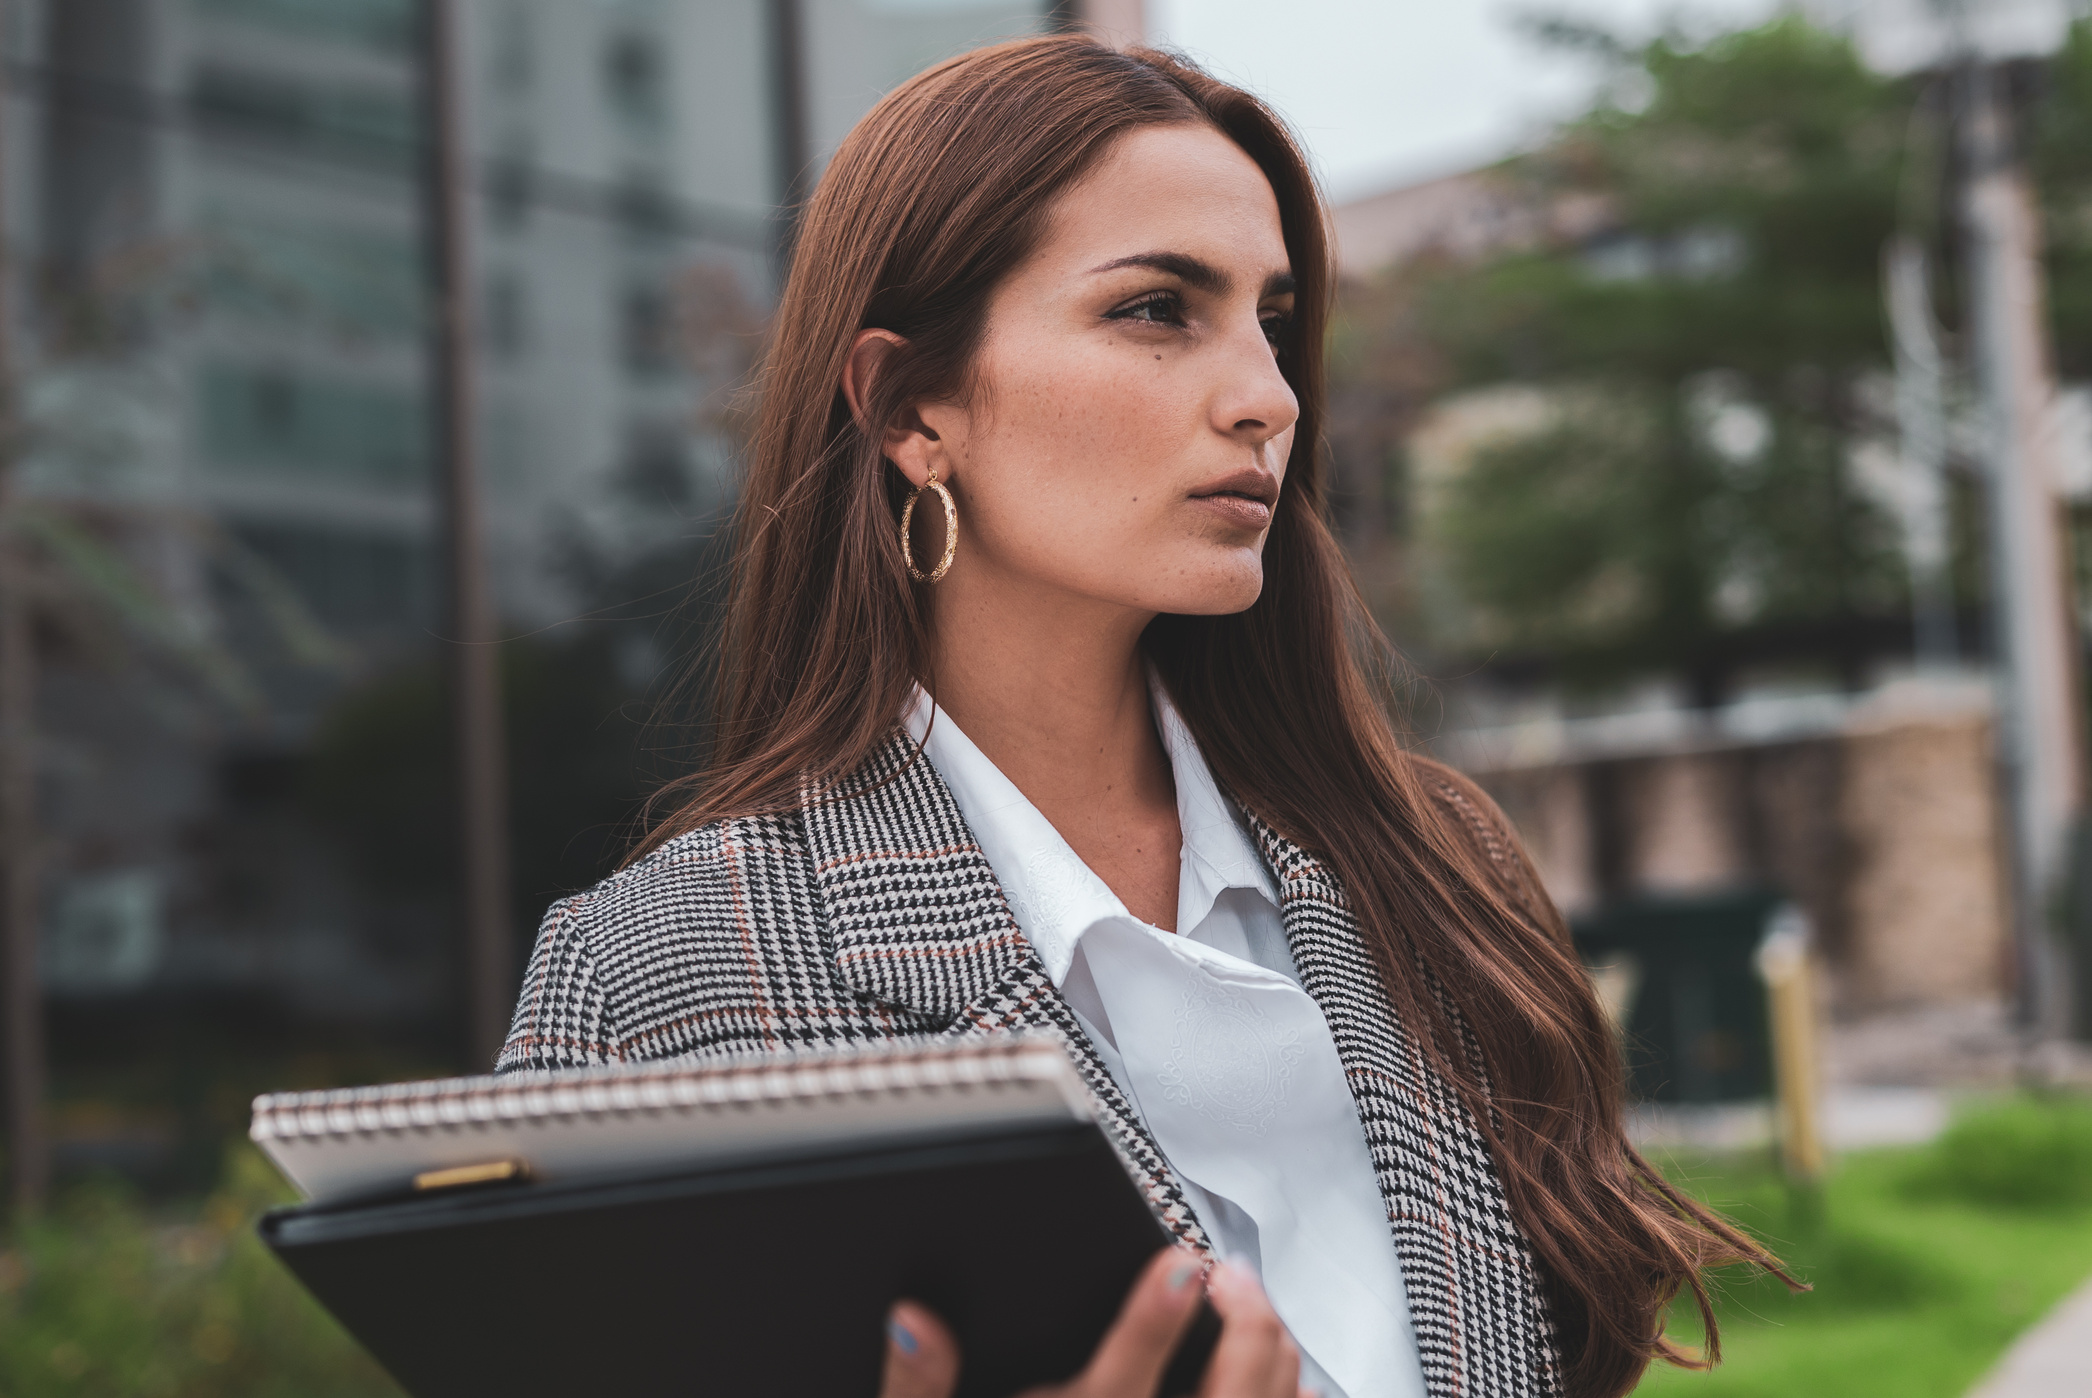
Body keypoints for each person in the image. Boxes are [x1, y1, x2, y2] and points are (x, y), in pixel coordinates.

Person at [498, 35, 1780, 1398]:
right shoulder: (658, 977)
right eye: (1159, 309)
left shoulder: (1432, 863)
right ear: (910, 406)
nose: (1268, 398)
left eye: (1272, 324)